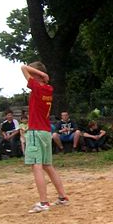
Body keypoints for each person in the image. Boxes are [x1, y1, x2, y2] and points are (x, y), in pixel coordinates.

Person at [22, 62, 69, 213]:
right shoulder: (48, 89)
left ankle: (43, 202)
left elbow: (23, 68)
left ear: (38, 74)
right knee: (47, 165)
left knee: (36, 165)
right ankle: (62, 197)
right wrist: (42, 76)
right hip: (45, 132)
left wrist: (42, 75)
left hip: (36, 131)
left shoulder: (38, 87)